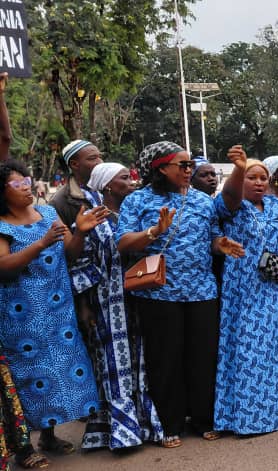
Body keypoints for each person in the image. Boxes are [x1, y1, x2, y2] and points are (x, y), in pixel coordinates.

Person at [116, 141, 245, 444]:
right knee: (166, 359)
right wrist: (154, 232)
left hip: (201, 291)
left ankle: (202, 419)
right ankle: (169, 424)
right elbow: (123, 243)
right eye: (183, 165)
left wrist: (221, 245)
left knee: (202, 357)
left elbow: (212, 238)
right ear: (161, 168)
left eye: (191, 165)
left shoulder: (202, 201)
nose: (190, 170)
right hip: (159, 293)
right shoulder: (138, 201)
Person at [2, 158, 105, 462]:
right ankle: (24, 448)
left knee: (57, 374)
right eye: (17, 183)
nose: (27, 187)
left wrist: (82, 231)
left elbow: (70, 252)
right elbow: (3, 267)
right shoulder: (1, 224)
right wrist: (41, 243)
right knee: (26, 378)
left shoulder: (48, 212)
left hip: (58, 311)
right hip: (20, 316)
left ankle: (48, 437)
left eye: (27, 179)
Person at [211, 148, 278, 433]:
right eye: (251, 177)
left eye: (262, 178)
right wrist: (239, 168)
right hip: (247, 287)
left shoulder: (277, 207)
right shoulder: (230, 206)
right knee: (250, 349)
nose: (258, 182)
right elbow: (231, 195)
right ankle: (250, 416)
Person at [69, 162, 164, 451]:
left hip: (138, 298)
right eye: (124, 177)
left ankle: (144, 426)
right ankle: (121, 434)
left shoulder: (132, 213)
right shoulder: (91, 218)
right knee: (113, 366)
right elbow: (78, 263)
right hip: (107, 304)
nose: (131, 180)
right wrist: (84, 307)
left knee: (140, 363)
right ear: (108, 185)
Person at [50, 140, 104, 227]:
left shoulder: (108, 187)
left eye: (100, 157)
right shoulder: (59, 202)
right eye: (93, 158)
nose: (101, 162)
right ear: (74, 164)